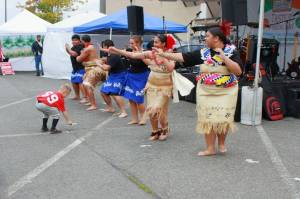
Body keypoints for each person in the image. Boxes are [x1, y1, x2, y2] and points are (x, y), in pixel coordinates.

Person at [153, 27, 242, 156]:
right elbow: (183, 57)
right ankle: (210, 148)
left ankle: (221, 143)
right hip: (205, 91)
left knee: (222, 118)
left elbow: (238, 71)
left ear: (216, 38)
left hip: (226, 91)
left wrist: (223, 56)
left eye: (207, 36)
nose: (204, 38)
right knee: (207, 118)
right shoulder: (203, 52)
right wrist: (163, 54)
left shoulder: (232, 52)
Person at [101, 35, 175, 141]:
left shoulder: (171, 54)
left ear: (163, 44)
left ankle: (165, 128)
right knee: (150, 109)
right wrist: (115, 50)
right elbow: (132, 55)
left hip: (164, 86)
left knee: (158, 109)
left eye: (157, 42)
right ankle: (155, 130)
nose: (155, 44)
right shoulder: (150, 54)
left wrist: (162, 56)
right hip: (152, 85)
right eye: (154, 42)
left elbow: (171, 67)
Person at [123, 36, 150, 125]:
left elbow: (148, 63)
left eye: (132, 43)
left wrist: (140, 54)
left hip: (141, 77)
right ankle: (135, 119)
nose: (130, 45)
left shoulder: (145, 52)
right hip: (131, 76)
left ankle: (144, 118)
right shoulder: (131, 52)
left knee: (138, 98)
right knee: (131, 98)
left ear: (138, 43)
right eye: (130, 43)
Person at [98, 39, 128, 118]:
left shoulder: (114, 56)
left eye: (103, 47)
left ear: (107, 47)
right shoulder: (110, 54)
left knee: (114, 93)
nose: (103, 49)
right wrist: (103, 60)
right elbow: (107, 60)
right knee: (103, 91)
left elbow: (106, 68)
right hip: (113, 76)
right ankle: (110, 108)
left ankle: (123, 111)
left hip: (119, 76)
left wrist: (99, 64)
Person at [76, 35, 106, 111]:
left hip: (93, 69)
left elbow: (79, 60)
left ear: (83, 41)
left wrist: (79, 55)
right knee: (85, 84)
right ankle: (90, 101)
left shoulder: (88, 49)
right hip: (91, 68)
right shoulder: (91, 47)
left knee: (87, 85)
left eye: (81, 41)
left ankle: (93, 105)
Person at [65, 34, 86, 100]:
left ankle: (85, 97)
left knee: (80, 82)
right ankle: (77, 96)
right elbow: (70, 53)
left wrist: (68, 48)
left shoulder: (80, 46)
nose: (74, 41)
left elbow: (74, 54)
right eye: (73, 40)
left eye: (75, 40)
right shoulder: (73, 47)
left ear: (79, 41)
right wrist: (67, 48)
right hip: (75, 68)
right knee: (74, 82)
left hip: (81, 68)